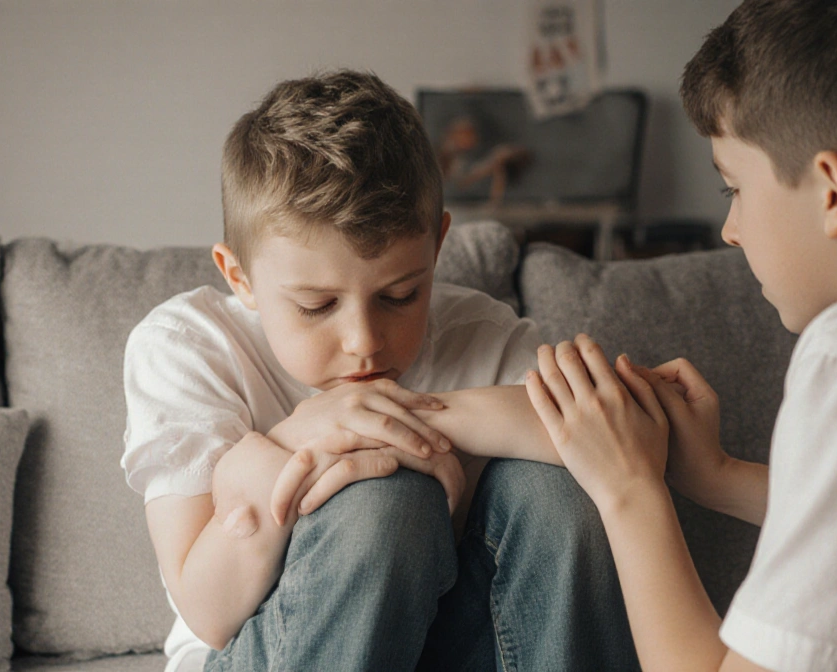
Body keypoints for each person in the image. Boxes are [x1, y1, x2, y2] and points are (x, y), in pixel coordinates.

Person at [121, 70, 639, 672]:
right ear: (240, 277)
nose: (364, 342)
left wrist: (410, 420)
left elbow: (624, 442)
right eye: (316, 306)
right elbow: (208, 615)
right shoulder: (189, 347)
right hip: (262, 648)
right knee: (386, 501)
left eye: (399, 296)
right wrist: (293, 443)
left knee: (561, 492)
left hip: (448, 648)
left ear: (437, 247)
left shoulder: (478, 335)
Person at [524, 1, 837, 670]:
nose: (730, 231)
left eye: (732, 188)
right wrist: (720, 478)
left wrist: (628, 488)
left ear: (831, 191)